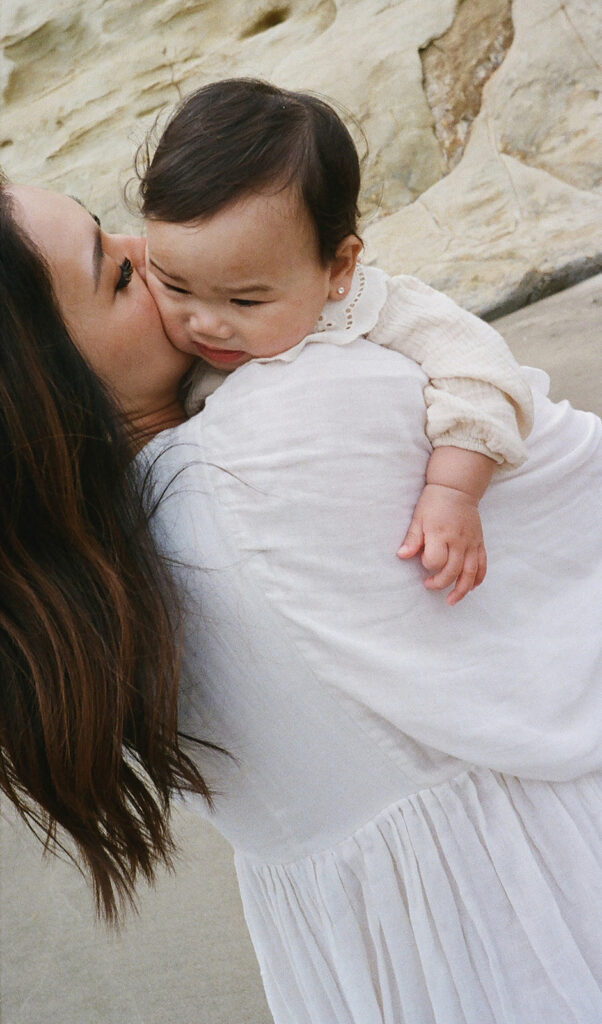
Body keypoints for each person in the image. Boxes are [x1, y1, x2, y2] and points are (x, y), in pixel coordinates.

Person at [1, 179, 601, 1024]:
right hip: (547, 920)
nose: (154, 253)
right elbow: (578, 508)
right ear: (42, 389)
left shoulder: (86, 599)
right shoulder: (276, 441)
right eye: (119, 275)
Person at [137, 78, 535, 605]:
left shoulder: (372, 307)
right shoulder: (166, 334)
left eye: (247, 302)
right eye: (175, 285)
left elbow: (481, 374)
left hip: (471, 534)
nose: (206, 325)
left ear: (338, 266)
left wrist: (453, 491)